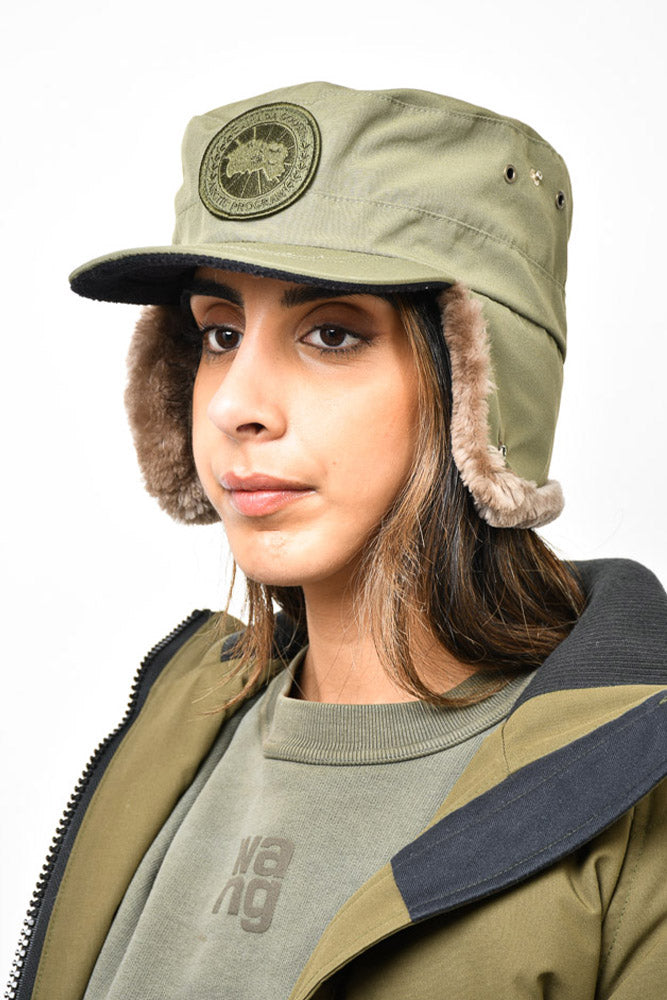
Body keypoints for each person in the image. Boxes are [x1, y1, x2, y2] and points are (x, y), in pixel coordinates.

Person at [7, 82, 667, 1000]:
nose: (235, 405)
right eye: (219, 334)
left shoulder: (630, 802)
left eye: (329, 333)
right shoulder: (173, 730)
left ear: (479, 393)